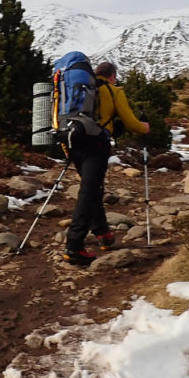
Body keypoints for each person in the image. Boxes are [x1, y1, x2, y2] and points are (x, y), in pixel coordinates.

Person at [64, 61, 150, 266]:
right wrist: (144, 127)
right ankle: (74, 245)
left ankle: (102, 233)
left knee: (92, 189)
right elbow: (132, 123)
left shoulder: (76, 90)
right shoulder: (113, 91)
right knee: (89, 191)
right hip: (96, 145)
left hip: (72, 142)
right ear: (112, 76)